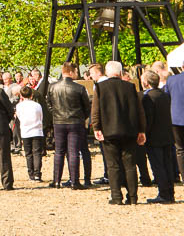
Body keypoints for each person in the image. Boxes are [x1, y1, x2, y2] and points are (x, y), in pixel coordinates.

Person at [92, 60, 147, 205]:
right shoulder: (130, 87)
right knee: (130, 165)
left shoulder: (100, 87)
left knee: (113, 165)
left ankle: (116, 197)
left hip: (109, 131)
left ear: (107, 73)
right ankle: (133, 197)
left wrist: (96, 128)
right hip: (129, 131)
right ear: (121, 72)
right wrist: (142, 130)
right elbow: (139, 110)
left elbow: (96, 110)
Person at [46, 63, 92, 189]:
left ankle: (56, 181)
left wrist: (55, 114)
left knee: (59, 152)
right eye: (76, 71)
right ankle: (74, 181)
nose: (77, 74)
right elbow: (87, 107)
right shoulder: (79, 88)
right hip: (75, 122)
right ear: (71, 72)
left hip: (59, 122)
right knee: (73, 152)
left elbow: (49, 104)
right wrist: (81, 117)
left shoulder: (52, 87)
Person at [141, 69, 175, 204]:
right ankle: (170, 192)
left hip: (154, 137)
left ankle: (164, 194)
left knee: (158, 166)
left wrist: (143, 133)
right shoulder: (165, 95)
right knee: (168, 165)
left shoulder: (148, 98)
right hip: (167, 134)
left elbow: (148, 119)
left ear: (147, 83)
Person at [15, 85, 45, 182]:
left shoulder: (19, 106)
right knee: (37, 153)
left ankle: (31, 173)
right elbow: (41, 117)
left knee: (28, 154)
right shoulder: (37, 105)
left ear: (21, 96)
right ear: (32, 95)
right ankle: (37, 174)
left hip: (25, 131)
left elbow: (19, 117)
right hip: (37, 131)